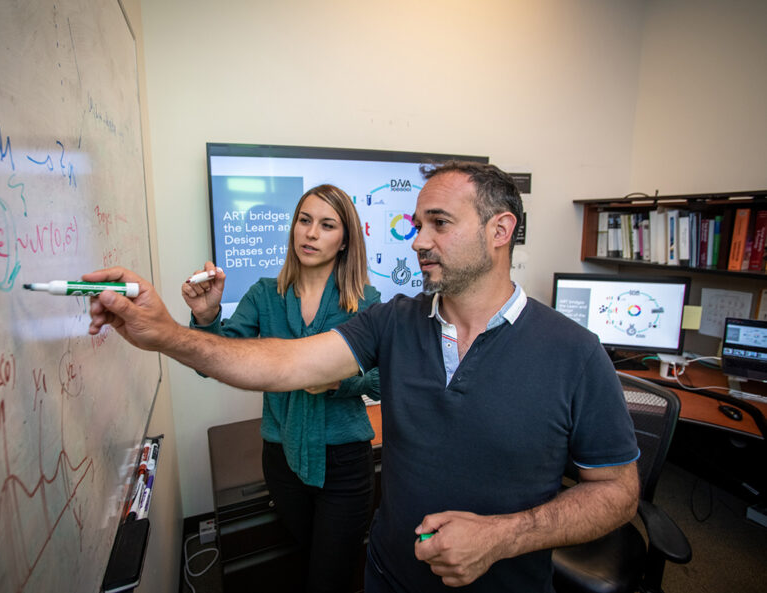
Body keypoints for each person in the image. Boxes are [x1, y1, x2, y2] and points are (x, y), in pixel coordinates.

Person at [85, 161, 640, 593]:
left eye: (438, 224)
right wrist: (167, 333)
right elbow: (279, 362)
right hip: (388, 577)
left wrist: (500, 537)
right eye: (418, 224)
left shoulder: (575, 353)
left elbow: (617, 493)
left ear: (501, 230)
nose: (418, 240)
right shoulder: (392, 321)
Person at [181, 184, 382, 593]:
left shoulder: (366, 302)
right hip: (282, 460)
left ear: (345, 241)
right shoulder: (263, 296)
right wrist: (207, 318)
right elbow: (215, 362)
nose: (310, 233)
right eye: (304, 221)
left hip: (344, 463)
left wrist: (339, 382)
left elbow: (386, 377)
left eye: (327, 225)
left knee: (329, 577)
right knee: (307, 557)